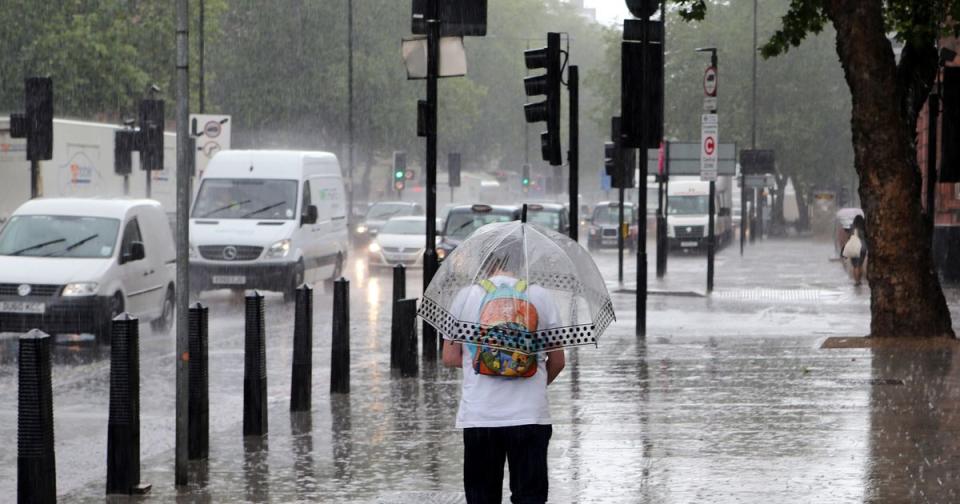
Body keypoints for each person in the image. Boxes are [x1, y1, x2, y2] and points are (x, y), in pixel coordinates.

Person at [442, 253, 565, 504]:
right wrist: (533, 383)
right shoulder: (539, 295)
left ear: (484, 263)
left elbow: (450, 357)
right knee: (529, 497)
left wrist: (481, 361)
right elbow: (558, 361)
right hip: (530, 415)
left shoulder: (466, 297)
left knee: (482, 498)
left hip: (480, 416)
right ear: (521, 265)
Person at [843, 215, 868, 285]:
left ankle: (856, 281)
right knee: (860, 265)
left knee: (855, 266)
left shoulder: (852, 228)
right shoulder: (864, 228)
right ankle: (859, 280)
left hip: (854, 248)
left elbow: (848, 237)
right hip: (863, 248)